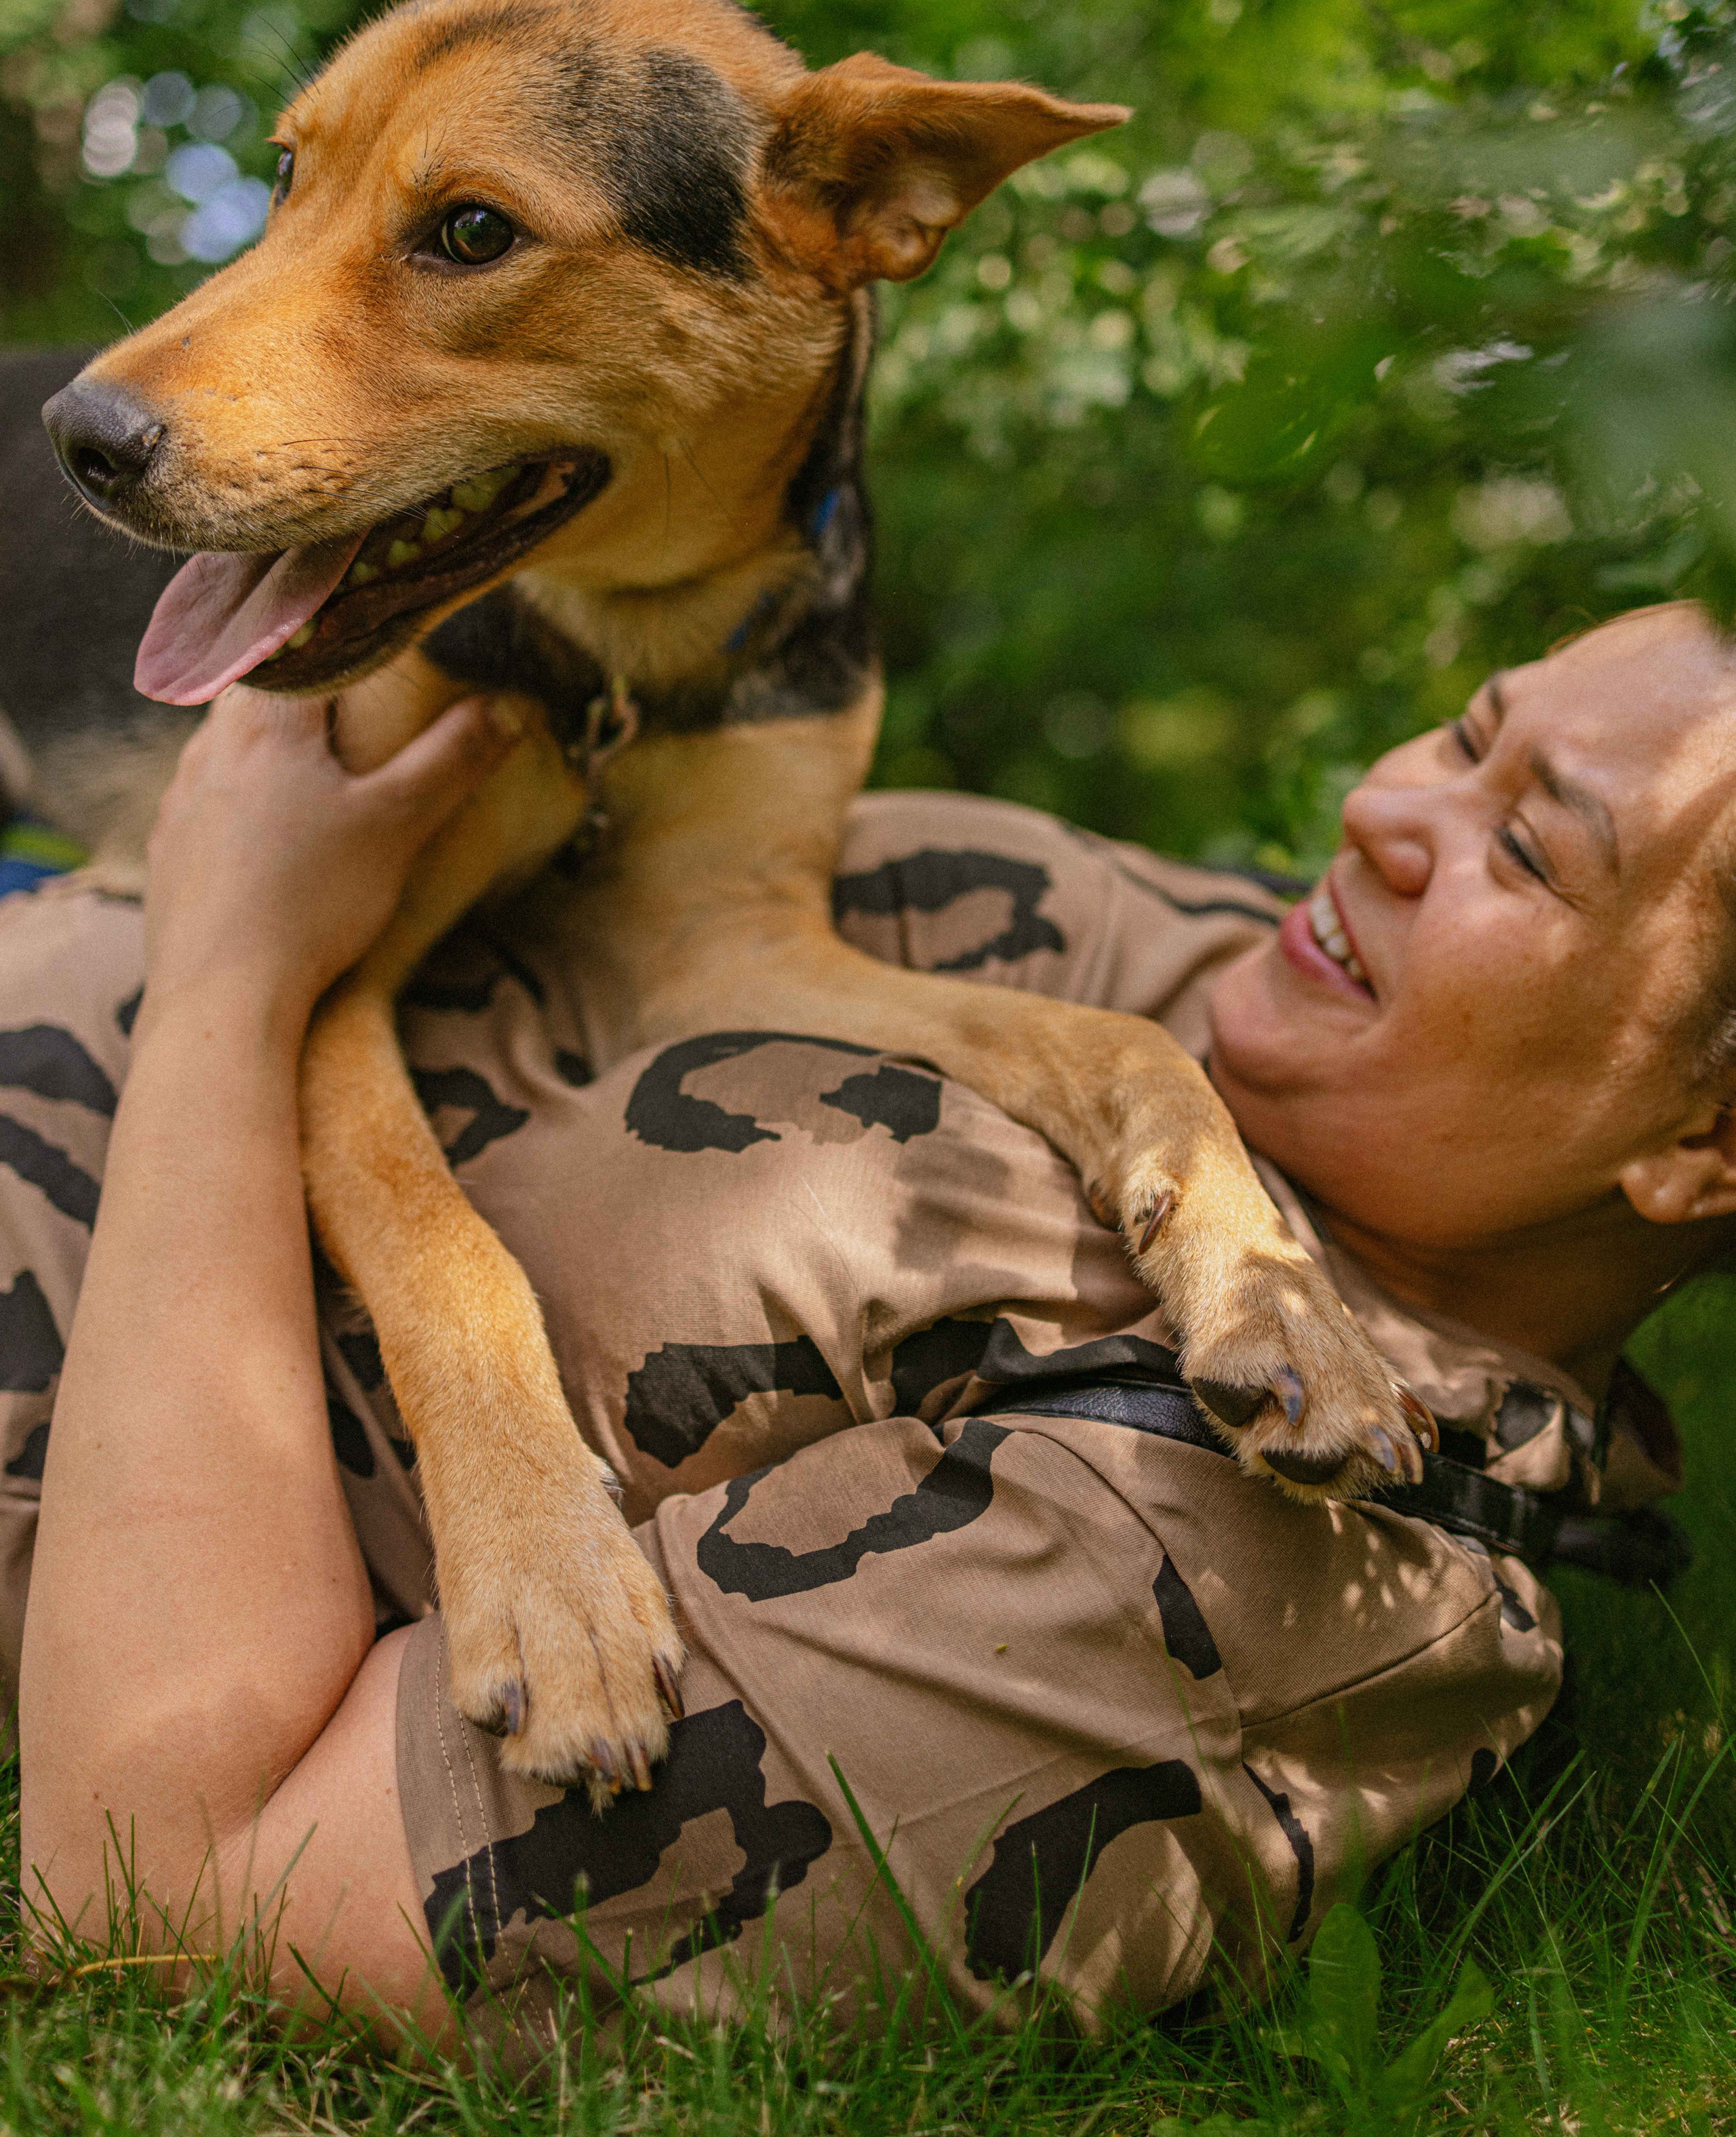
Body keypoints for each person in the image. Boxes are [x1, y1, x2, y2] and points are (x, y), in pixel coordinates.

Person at [4, 600, 1729, 2052]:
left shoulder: (1208, 1573)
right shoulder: (1258, 1010)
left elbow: (172, 1876)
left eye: (1522, 844)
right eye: (1456, 728)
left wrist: (231, 945)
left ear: (1699, 1145)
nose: (1376, 807)